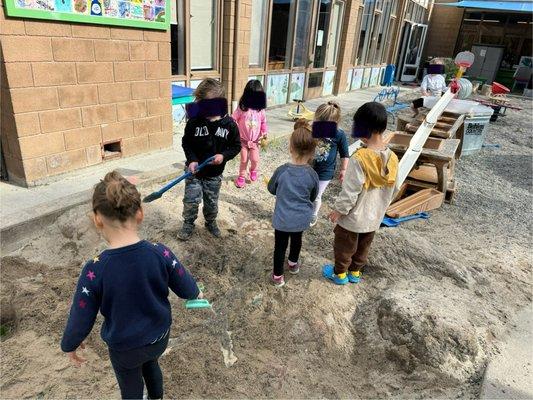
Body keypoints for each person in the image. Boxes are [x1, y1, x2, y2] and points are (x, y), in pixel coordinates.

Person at [61, 171, 201, 399]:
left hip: (124, 348)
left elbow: (81, 315)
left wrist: (70, 344)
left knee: (130, 383)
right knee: (150, 363)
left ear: (97, 219)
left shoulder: (95, 270)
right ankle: (156, 397)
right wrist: (195, 292)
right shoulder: (160, 252)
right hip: (158, 336)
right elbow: (186, 286)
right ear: (140, 213)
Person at [322, 102, 398, 285]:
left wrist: (339, 210)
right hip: (373, 218)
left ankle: (339, 274)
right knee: (363, 247)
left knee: (344, 246)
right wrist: (380, 207)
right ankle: (355, 272)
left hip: (352, 218)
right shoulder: (393, 158)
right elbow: (394, 188)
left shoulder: (359, 159)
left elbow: (350, 191)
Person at [180, 78, 241, 240]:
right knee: (191, 200)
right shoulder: (194, 121)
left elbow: (236, 146)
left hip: (214, 174)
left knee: (211, 202)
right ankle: (188, 223)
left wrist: (223, 156)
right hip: (194, 171)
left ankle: (210, 222)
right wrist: (192, 159)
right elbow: (186, 143)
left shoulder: (229, 125)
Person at [267, 120, 319, 287]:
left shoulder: (282, 171)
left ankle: (277, 276)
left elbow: (271, 189)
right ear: (312, 153)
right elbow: (313, 195)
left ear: (290, 148)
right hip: (301, 218)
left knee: (280, 247)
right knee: (297, 240)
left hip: (282, 219)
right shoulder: (312, 174)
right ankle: (293, 264)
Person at [309, 101, 349, 227]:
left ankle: (313, 214)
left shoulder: (339, 134)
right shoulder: (313, 129)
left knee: (316, 195)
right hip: (309, 167)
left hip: (326, 171)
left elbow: (344, 153)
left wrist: (343, 169)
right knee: (306, 191)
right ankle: (304, 210)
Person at [232, 79, 268, 188]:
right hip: (243, 141)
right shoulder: (242, 108)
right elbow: (233, 119)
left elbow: (263, 122)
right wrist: (234, 129)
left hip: (255, 142)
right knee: (243, 159)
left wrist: (264, 132)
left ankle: (253, 170)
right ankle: (242, 176)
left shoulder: (260, 110)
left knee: (255, 159)